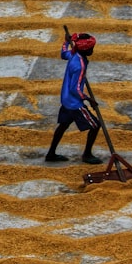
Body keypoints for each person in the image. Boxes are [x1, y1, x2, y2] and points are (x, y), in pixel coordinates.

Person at [45, 30, 101, 164]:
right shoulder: (79, 65)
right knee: (95, 126)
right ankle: (87, 155)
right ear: (86, 49)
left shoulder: (74, 54)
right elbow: (75, 89)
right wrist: (87, 99)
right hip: (74, 103)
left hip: (66, 100)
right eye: (91, 48)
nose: (92, 50)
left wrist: (65, 42)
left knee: (63, 125)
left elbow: (64, 54)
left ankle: (51, 153)